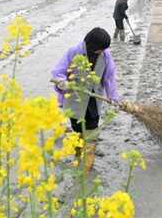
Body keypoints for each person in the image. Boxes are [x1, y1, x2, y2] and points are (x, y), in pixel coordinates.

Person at [51, 27, 119, 173]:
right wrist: (62, 82)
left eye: (104, 48)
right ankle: (77, 156)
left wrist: (113, 96)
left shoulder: (105, 55)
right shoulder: (73, 52)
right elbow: (59, 72)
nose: (102, 51)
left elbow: (109, 77)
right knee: (77, 131)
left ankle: (87, 168)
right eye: (101, 48)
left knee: (91, 133)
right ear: (92, 44)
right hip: (75, 99)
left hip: (94, 99)